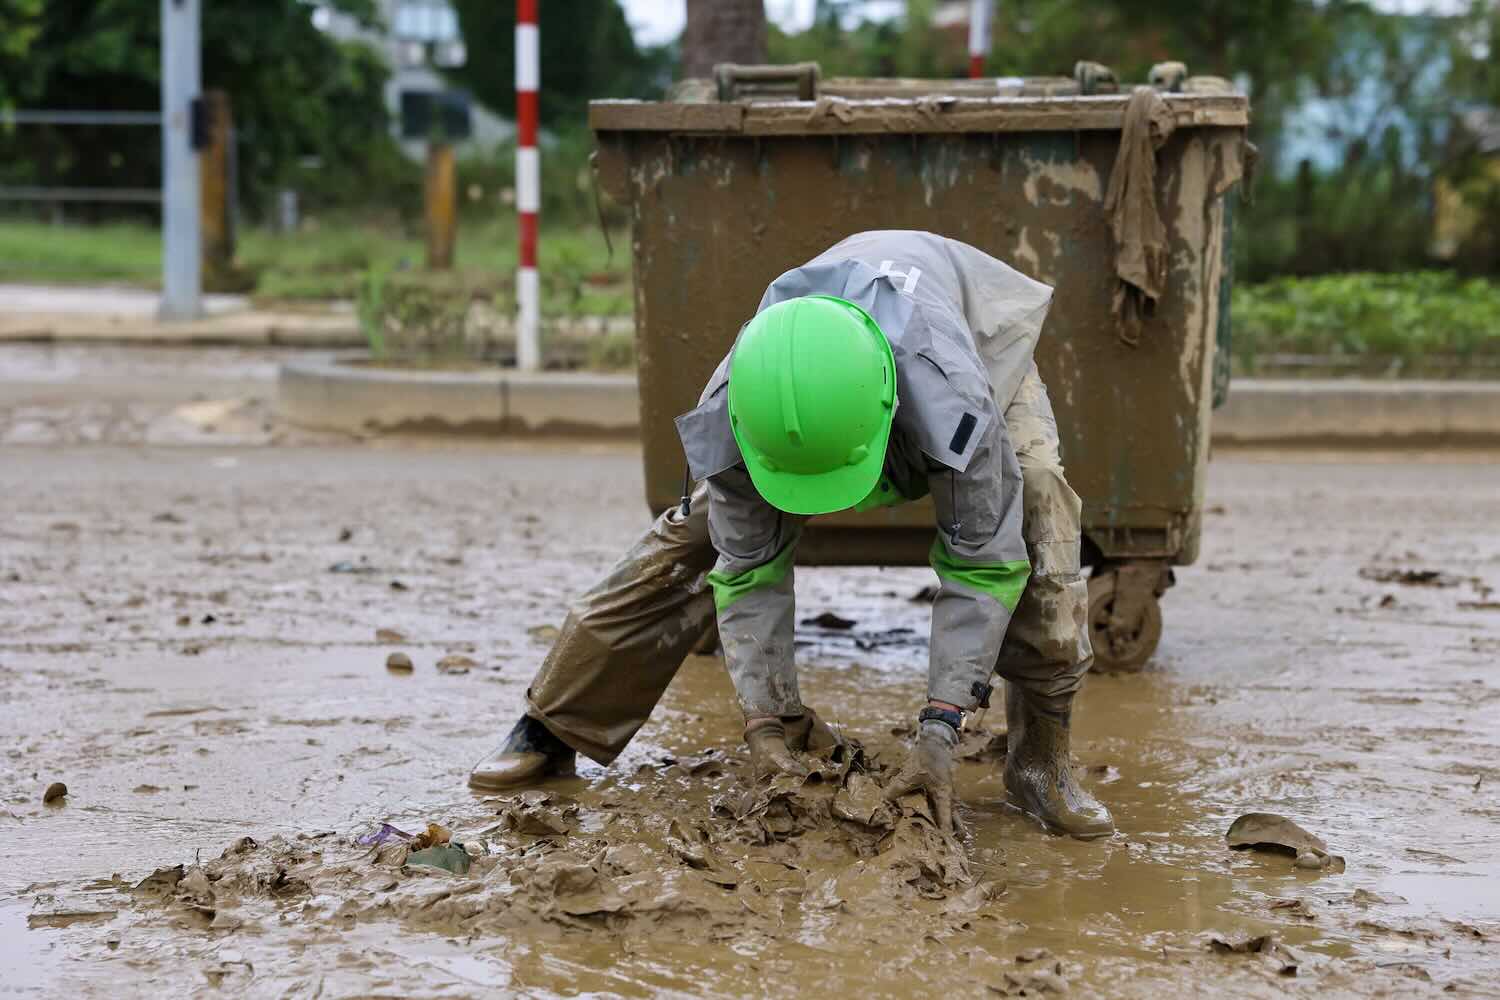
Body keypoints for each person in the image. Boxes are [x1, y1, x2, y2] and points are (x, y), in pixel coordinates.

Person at [469, 230, 1113, 839]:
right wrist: (766, 718)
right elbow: (747, 566)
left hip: (964, 341)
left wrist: (941, 728)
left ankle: (1040, 763)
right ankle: (551, 725)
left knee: (1036, 503)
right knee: (695, 534)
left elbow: (981, 565)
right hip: (814, 380)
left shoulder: (956, 397)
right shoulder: (737, 401)